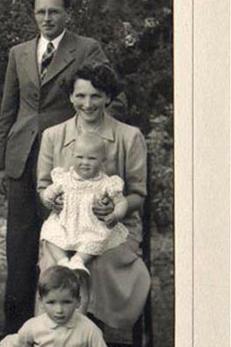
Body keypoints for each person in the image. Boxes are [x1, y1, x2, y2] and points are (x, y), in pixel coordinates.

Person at [0, 0, 125, 336]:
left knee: (62, 241)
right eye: (40, 12)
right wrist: (0, 164)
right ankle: (16, 331)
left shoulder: (86, 49)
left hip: (66, 160)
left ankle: (64, 331)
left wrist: (91, 139)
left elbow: (111, 97)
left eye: (54, 11)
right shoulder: (19, 52)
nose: (47, 18)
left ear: (67, 13)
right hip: (22, 159)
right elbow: (8, 110)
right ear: (33, 14)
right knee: (19, 246)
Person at [37, 63, 150, 330]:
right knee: (56, 264)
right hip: (66, 227)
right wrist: (52, 200)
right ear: (71, 97)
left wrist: (116, 208)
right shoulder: (53, 136)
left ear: (108, 97)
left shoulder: (129, 136)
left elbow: (138, 195)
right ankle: (53, 341)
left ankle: (86, 335)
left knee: (95, 262)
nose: (88, 104)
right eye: (81, 96)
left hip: (115, 228)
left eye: (96, 96)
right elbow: (43, 188)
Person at [39, 132, 129, 272]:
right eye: (80, 157)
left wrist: (116, 214)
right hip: (64, 222)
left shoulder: (107, 183)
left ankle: (78, 260)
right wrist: (48, 197)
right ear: (72, 156)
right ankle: (63, 262)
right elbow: (48, 192)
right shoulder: (64, 178)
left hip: (91, 225)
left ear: (102, 161)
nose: (85, 162)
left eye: (92, 158)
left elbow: (121, 202)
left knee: (98, 238)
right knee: (49, 233)